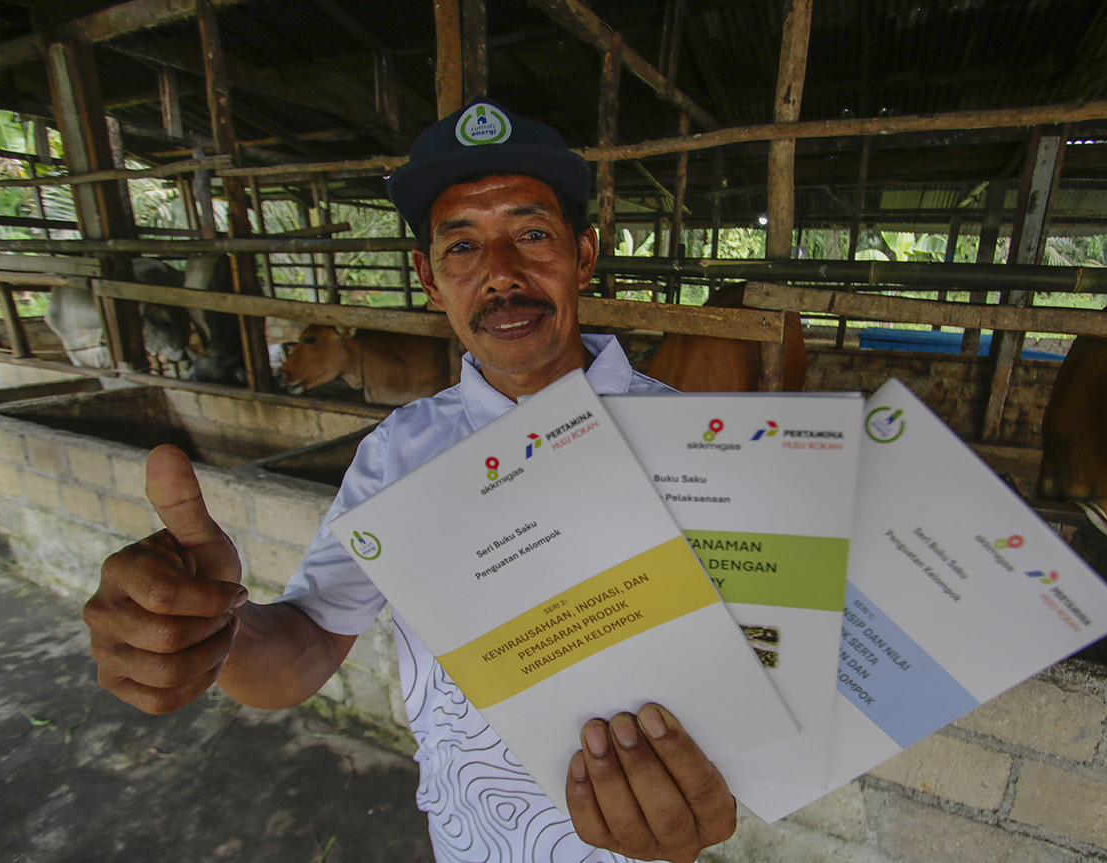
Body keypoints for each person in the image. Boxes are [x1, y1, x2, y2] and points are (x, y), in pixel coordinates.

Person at [83, 100, 735, 863]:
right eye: (463, 246)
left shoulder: (699, 445)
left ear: (583, 256)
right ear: (428, 276)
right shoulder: (399, 450)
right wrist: (212, 626)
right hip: (464, 844)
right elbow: (298, 654)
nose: (500, 274)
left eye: (531, 234)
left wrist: (719, 787)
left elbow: (756, 683)